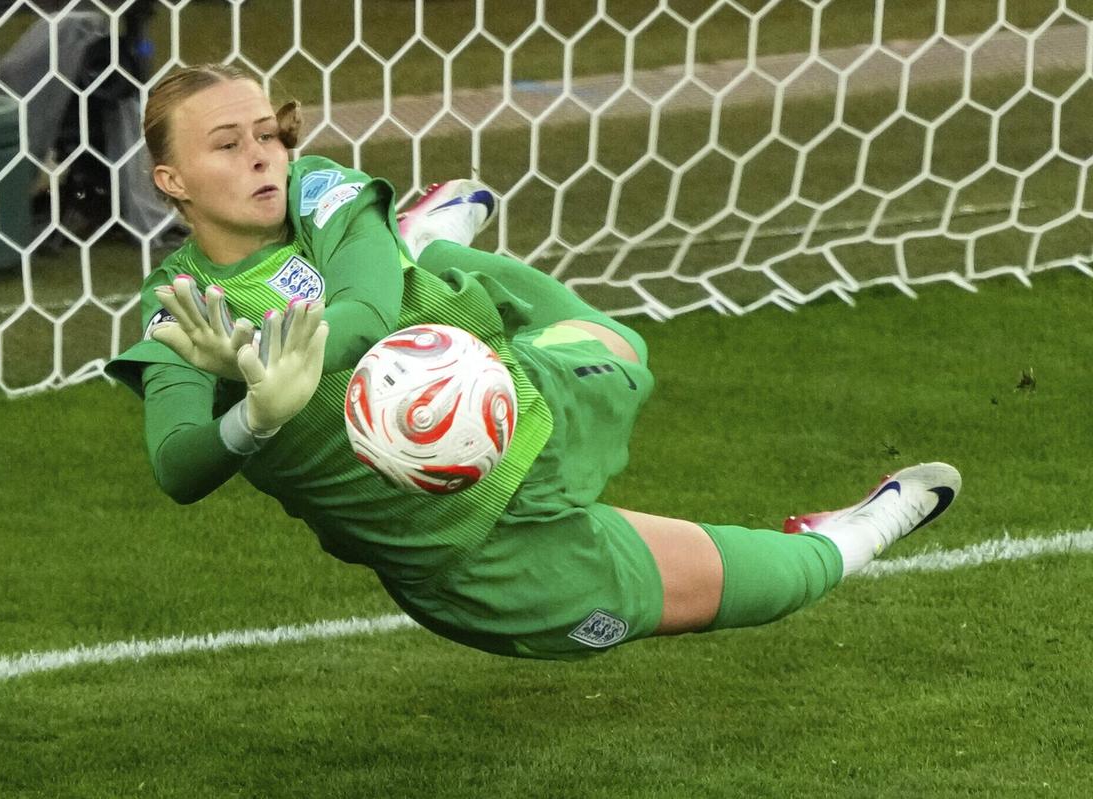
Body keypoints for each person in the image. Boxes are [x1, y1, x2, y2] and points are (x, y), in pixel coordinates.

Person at [106, 64, 962, 661]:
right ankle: (855, 530)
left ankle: (418, 248)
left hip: (520, 397)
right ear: (171, 180)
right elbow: (179, 464)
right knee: (748, 588)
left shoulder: (320, 190)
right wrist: (251, 416)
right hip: (466, 553)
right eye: (227, 144)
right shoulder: (184, 308)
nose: (262, 154)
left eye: (268, 133)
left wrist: (303, 354)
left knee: (627, 353)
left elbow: (364, 309)